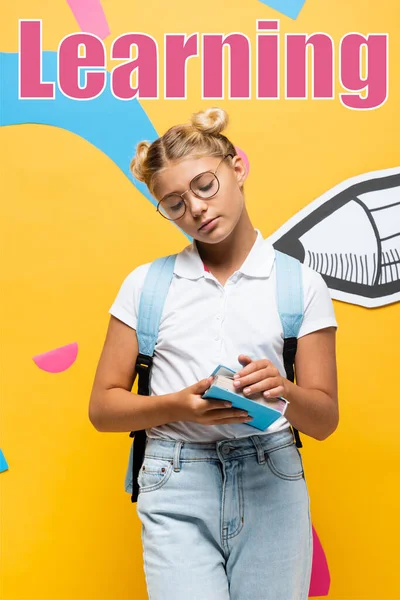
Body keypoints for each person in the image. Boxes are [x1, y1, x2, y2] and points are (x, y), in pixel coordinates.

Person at [88, 107, 339, 600]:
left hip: (273, 475)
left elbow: (325, 420)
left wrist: (282, 389)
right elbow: (102, 409)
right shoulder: (146, 286)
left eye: (204, 185)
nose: (196, 209)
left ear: (237, 167)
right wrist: (179, 406)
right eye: (174, 204)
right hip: (174, 476)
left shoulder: (300, 284)